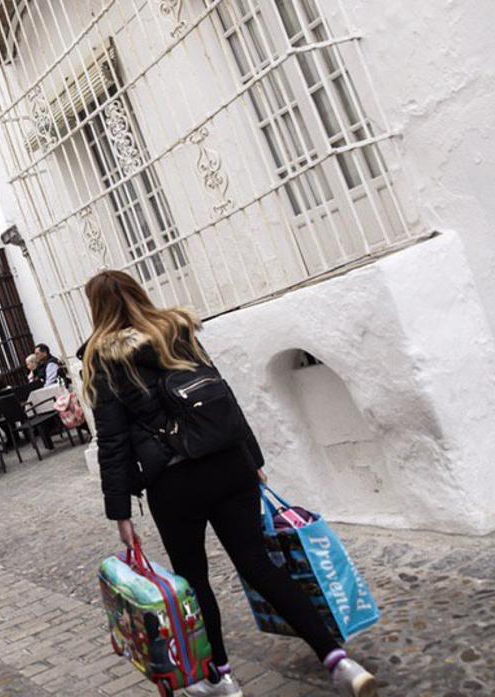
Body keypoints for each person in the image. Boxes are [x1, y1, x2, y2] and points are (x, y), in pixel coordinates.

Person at [80, 270, 376, 697]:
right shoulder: (176, 331)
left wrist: (121, 512)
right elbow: (226, 398)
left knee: (194, 579)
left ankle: (221, 678)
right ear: (139, 294)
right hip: (227, 465)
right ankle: (338, 659)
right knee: (259, 565)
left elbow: (113, 442)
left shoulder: (103, 359)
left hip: (174, 481)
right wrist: (252, 459)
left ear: (96, 309)